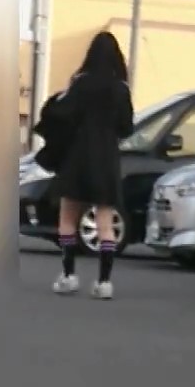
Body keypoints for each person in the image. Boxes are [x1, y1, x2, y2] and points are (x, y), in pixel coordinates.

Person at [36, 31, 135, 299]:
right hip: (107, 160)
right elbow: (127, 128)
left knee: (67, 219)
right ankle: (104, 282)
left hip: (77, 158)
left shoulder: (80, 83)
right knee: (105, 223)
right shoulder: (121, 89)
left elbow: (60, 114)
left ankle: (69, 275)